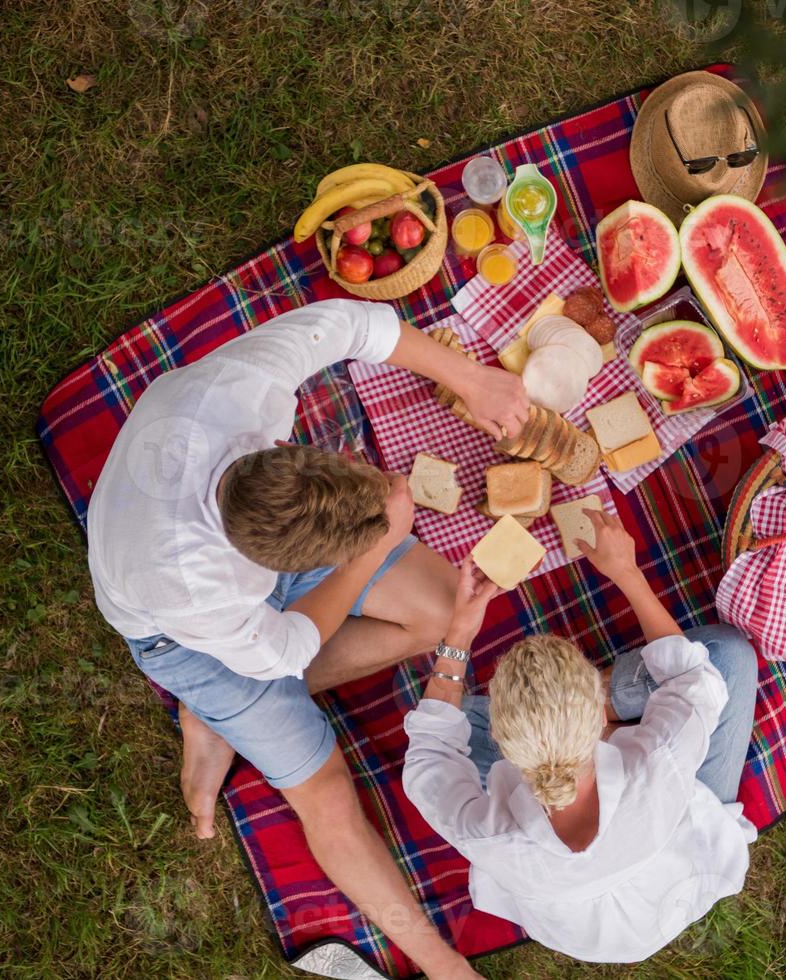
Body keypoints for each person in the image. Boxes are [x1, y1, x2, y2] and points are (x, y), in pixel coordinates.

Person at [86, 298, 528, 979]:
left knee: (440, 610)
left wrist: (474, 380)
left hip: (237, 559)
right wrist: (363, 556)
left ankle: (226, 716)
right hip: (180, 634)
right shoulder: (195, 586)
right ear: (291, 566)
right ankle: (441, 965)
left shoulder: (241, 389)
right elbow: (284, 651)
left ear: (288, 451)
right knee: (323, 789)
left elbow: (357, 324)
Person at [402, 510, 760, 964]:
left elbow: (430, 752)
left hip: (592, 929)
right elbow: (693, 676)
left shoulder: (485, 834)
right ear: (596, 712)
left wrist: (459, 633)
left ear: (501, 739)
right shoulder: (662, 761)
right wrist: (626, 572)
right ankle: (606, 701)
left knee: (455, 714)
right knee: (727, 655)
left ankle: (547, 718)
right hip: (679, 864)